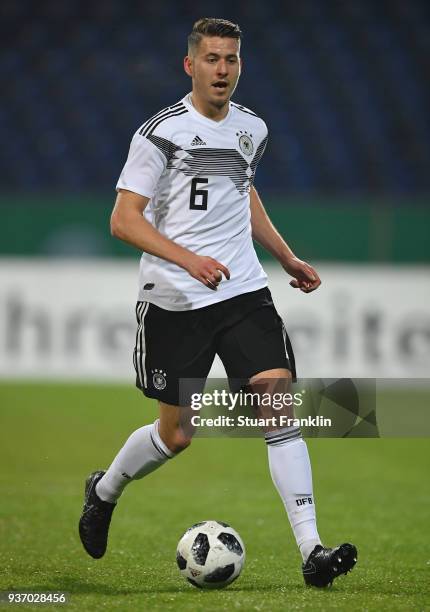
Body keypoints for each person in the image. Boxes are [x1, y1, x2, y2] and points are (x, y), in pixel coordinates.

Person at [79, 17, 357, 588]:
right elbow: (122, 220)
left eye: (231, 59)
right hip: (175, 299)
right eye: (211, 59)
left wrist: (285, 255)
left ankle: (313, 552)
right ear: (190, 65)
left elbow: (243, 191)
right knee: (177, 434)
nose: (222, 70)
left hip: (242, 292)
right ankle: (105, 490)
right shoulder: (159, 134)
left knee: (276, 403)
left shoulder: (252, 128)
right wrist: (188, 259)